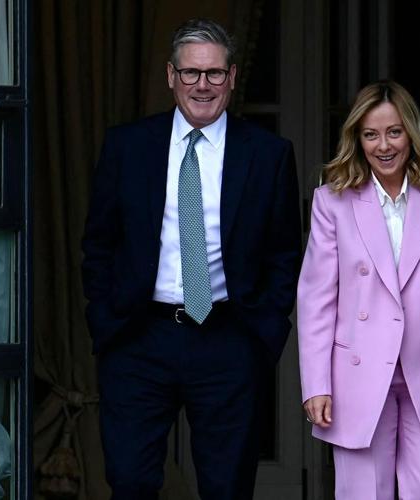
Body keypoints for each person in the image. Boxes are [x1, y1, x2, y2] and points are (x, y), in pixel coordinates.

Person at [81, 18, 301, 500]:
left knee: (227, 486)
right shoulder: (127, 146)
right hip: (139, 337)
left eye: (215, 73)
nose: (202, 85)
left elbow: (284, 251)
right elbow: (99, 241)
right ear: (170, 76)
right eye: (190, 73)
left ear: (233, 77)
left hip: (228, 338)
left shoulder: (268, 154)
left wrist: (262, 333)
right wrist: (105, 317)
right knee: (132, 481)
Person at [297, 80, 420, 500]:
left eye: (394, 132)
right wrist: (316, 384)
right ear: (357, 139)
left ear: (411, 133)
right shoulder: (333, 201)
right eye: (371, 134)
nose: (384, 145)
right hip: (358, 375)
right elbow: (316, 300)